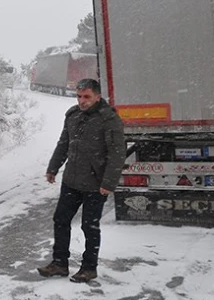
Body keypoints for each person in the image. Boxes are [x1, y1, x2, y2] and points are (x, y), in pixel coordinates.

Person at [37, 78, 125, 283]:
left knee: (89, 226)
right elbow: (63, 144)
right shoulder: (73, 116)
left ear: (97, 96)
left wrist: (108, 183)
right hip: (72, 180)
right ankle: (59, 263)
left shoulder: (109, 120)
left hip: (96, 184)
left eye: (86, 97)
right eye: (79, 96)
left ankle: (89, 267)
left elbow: (117, 154)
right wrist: (53, 168)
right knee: (60, 220)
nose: (82, 101)